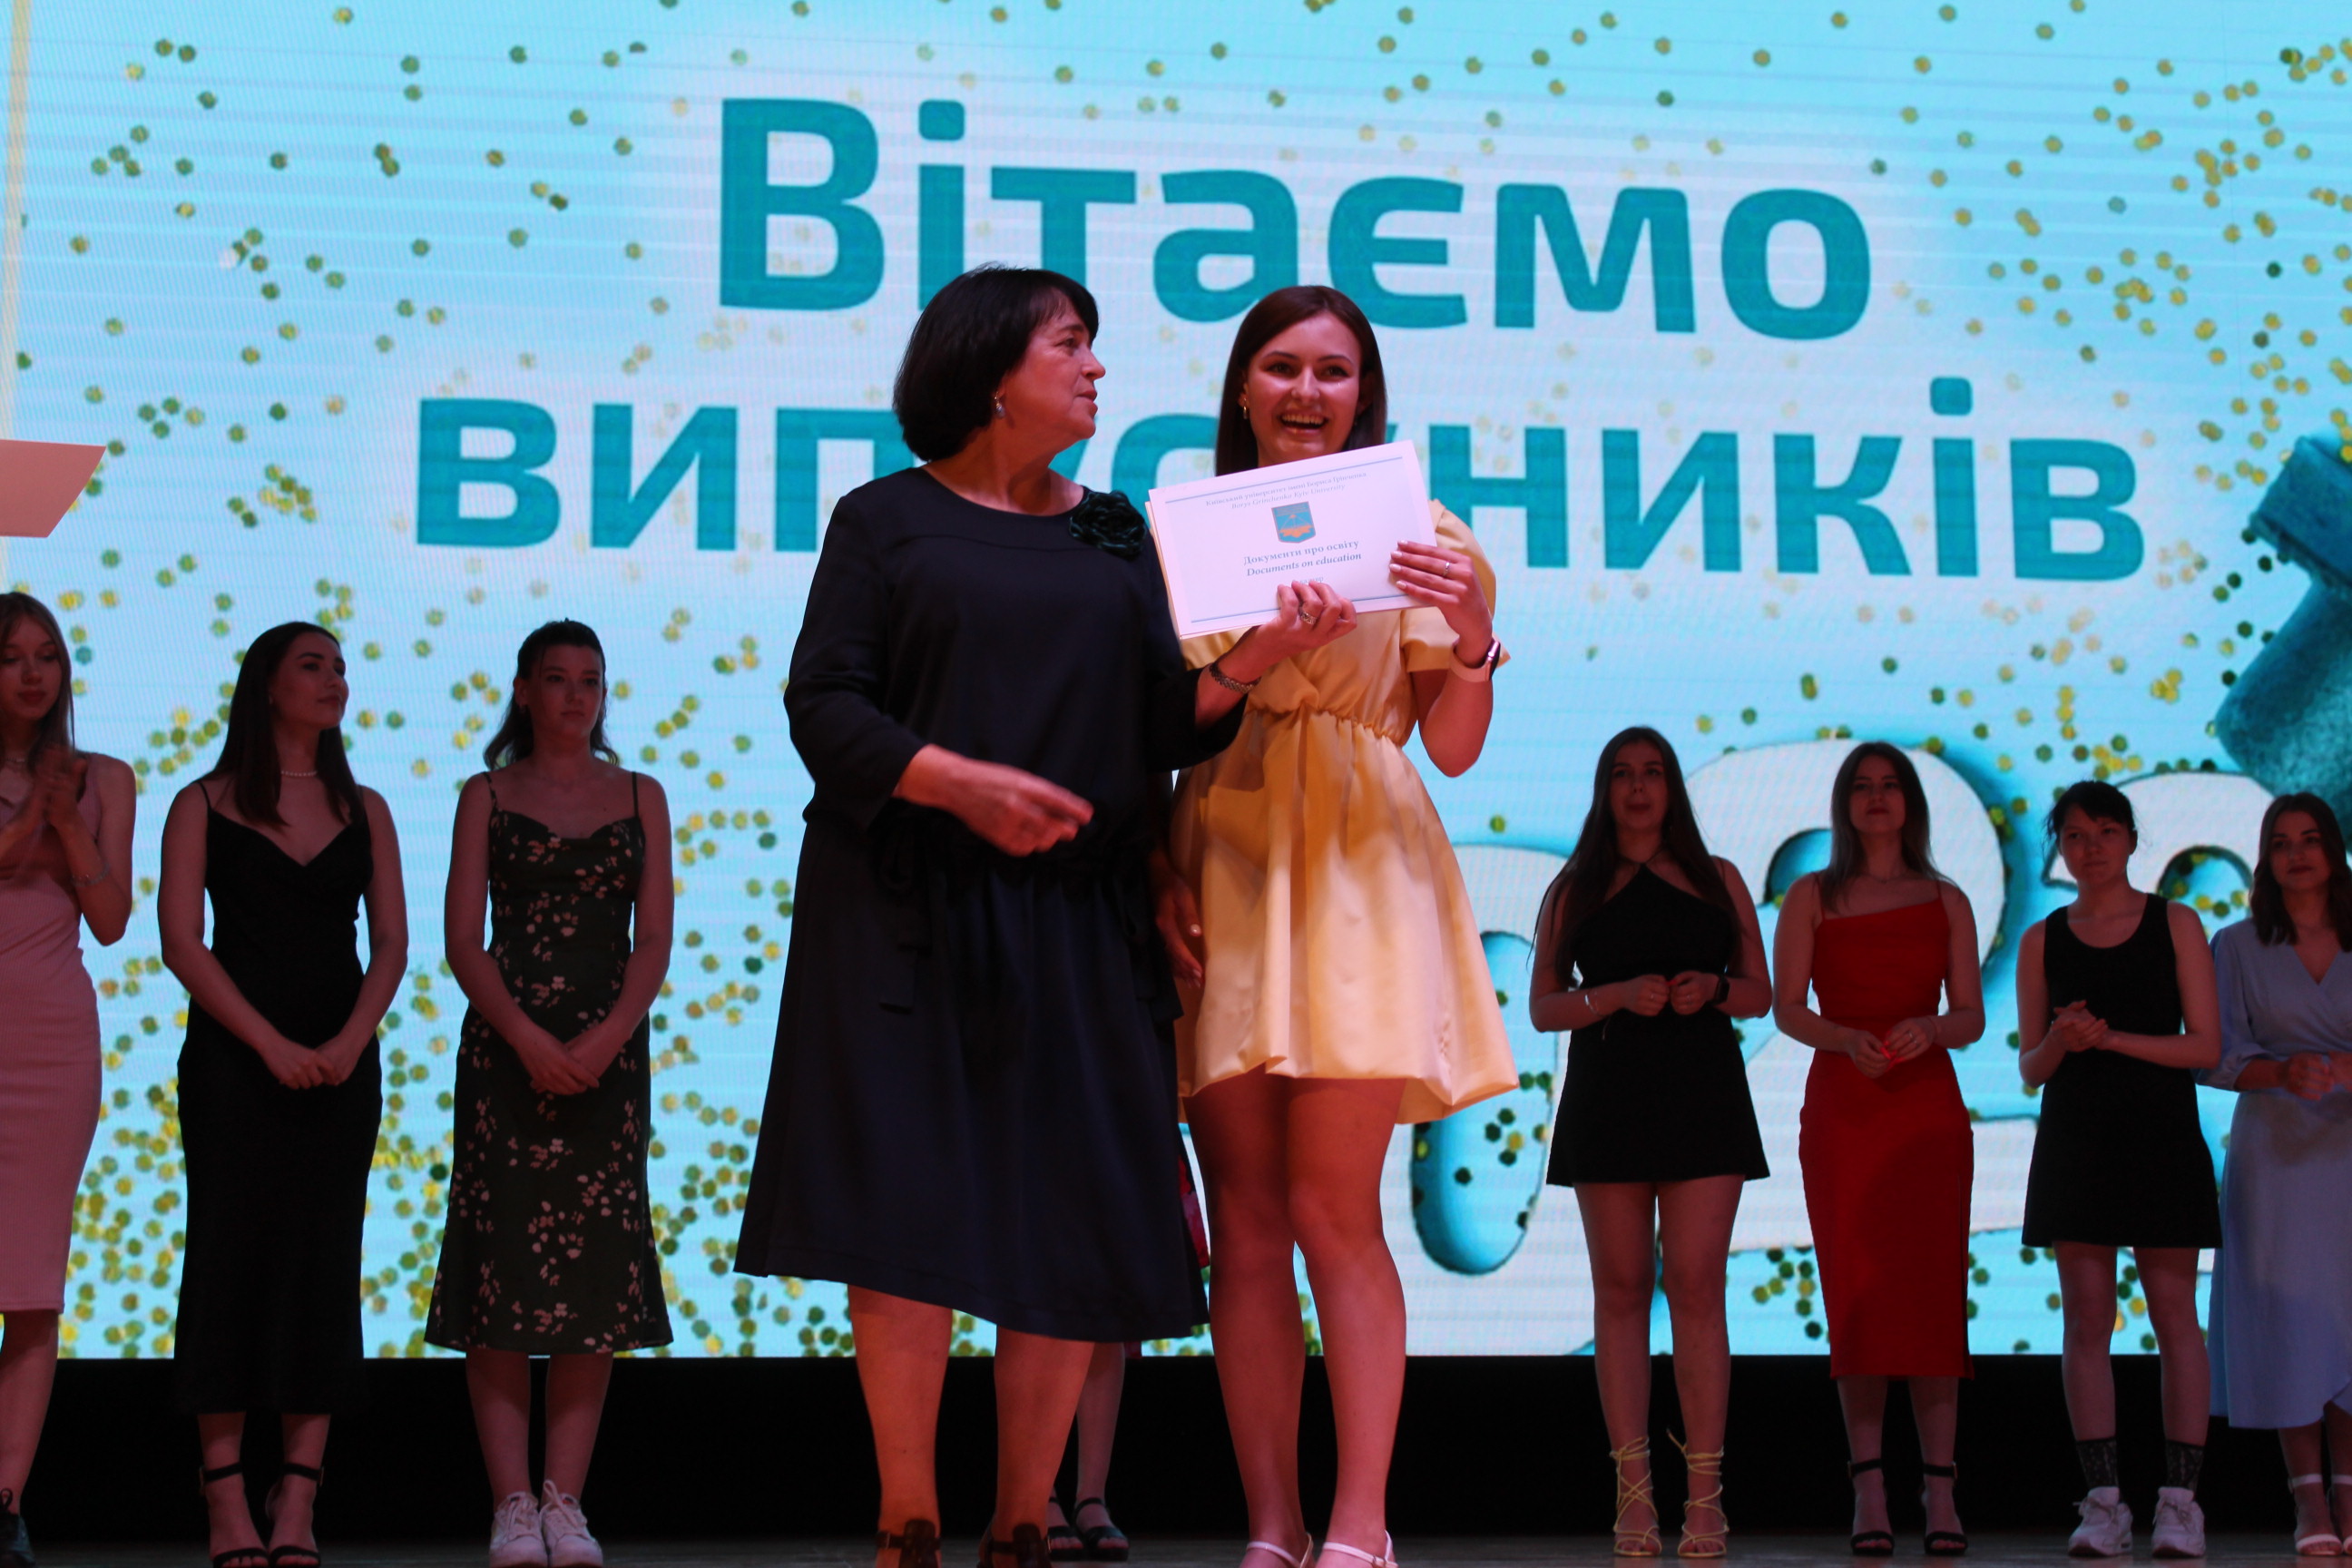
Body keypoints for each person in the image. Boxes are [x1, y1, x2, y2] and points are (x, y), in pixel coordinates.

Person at [732, 265, 1333, 1568]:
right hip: (904, 909)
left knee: (1066, 1214)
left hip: (1080, 914)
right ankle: (906, 1514)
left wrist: (1259, 657)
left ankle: (1022, 1517)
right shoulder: (883, 520)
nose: (1097, 366)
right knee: (902, 1215)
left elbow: (1158, 722)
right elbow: (825, 705)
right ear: (993, 368)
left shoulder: (1116, 531)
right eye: (1072, 343)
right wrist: (957, 784)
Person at [1155, 283, 1517, 1568]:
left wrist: (1470, 638)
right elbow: (1157, 723)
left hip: (1361, 857)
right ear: (1242, 387)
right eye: (1281, 367)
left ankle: (1363, 1522)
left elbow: (1455, 747)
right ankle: (1273, 1524)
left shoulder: (1424, 528)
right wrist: (1252, 654)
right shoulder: (1186, 533)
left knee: (1331, 1204)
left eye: (1332, 370)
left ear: (1365, 391)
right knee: (1246, 1224)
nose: (1307, 392)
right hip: (1225, 851)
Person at [425, 620, 675, 1568]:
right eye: (558, 679)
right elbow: (463, 939)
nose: (576, 696)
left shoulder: (643, 795)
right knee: (501, 1272)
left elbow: (653, 940)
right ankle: (511, 1504)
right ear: (524, 689)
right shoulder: (485, 795)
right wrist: (527, 1038)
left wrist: (604, 1039)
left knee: (594, 1279)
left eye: (591, 680)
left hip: (609, 1061)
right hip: (507, 1054)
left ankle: (566, 1503)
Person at [158, 622, 407, 1568]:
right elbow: (182, 941)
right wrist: (266, 1044)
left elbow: (391, 945)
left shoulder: (365, 807)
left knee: (322, 1268)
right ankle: (225, 1497)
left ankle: (297, 1496)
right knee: (225, 1265)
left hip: (340, 1072)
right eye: (314, 666)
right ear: (266, 685)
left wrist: (346, 1044)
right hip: (234, 1069)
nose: (335, 680)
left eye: (341, 667)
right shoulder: (203, 801)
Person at [1530, 726, 1771, 1559]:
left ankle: (1705, 1498)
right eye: (1623, 774)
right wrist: (1614, 996)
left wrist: (1714, 988)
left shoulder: (1718, 877)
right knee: (1624, 1289)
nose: (1638, 788)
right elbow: (1545, 1007)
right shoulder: (1574, 888)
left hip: (1704, 1094)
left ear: (1673, 787)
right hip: (1609, 1096)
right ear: (1605, 789)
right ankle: (1633, 1495)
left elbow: (1761, 994)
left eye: (1653, 772)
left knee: (1698, 1287)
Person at [1772, 743, 1984, 1557]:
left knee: (1930, 1297)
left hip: (1926, 1112)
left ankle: (1940, 1491)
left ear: (1911, 803)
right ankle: (1868, 1489)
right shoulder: (1811, 895)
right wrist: (1844, 1038)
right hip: (1845, 1109)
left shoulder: (1947, 898)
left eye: (1890, 785)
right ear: (1844, 804)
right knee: (1858, 1297)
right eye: (1861, 787)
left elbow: (1970, 1015)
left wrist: (1931, 1027)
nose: (1876, 798)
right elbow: (1788, 1008)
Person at [2017, 779, 2220, 1560]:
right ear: (2060, 850)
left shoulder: (2176, 922)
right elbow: (2031, 1068)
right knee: (2085, 1322)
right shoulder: (2042, 939)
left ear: (2131, 839)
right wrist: (2062, 1043)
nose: (2091, 847)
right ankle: (2103, 1504)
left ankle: (2180, 1504)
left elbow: (2205, 1047)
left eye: (2105, 831)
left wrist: (2111, 1040)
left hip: (2161, 1135)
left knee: (2175, 1317)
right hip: (2077, 1141)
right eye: (2075, 835)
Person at [0, 593, 134, 1567]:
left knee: (32, 1285)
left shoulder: (105, 778)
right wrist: (28, 824)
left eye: (47, 655)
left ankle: (4, 1503)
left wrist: (66, 819)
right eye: (12, 658)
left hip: (51, 1043)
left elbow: (114, 919)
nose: (33, 674)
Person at [2203, 792, 2352, 1556]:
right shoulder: (2234, 945)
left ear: (2334, 849)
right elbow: (2214, 1055)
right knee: (2292, 1323)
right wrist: (2281, 1074)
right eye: (2281, 842)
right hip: (2276, 1157)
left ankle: (2351, 1494)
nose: (2297, 854)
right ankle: (2308, 1502)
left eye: (2310, 839)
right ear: (2265, 858)